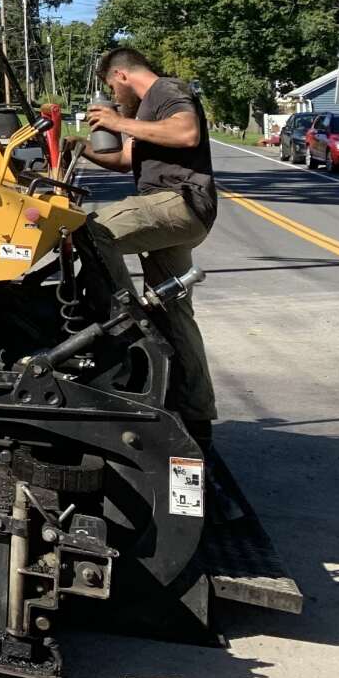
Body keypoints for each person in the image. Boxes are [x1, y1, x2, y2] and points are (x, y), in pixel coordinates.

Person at [81, 46, 219, 443]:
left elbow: (186, 132)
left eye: (111, 86)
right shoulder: (144, 111)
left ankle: (122, 326)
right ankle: (196, 418)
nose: (114, 94)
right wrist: (81, 148)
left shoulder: (165, 90)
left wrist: (117, 121)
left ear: (121, 75)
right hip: (174, 210)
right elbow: (125, 161)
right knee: (174, 315)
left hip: (180, 202)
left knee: (92, 229)